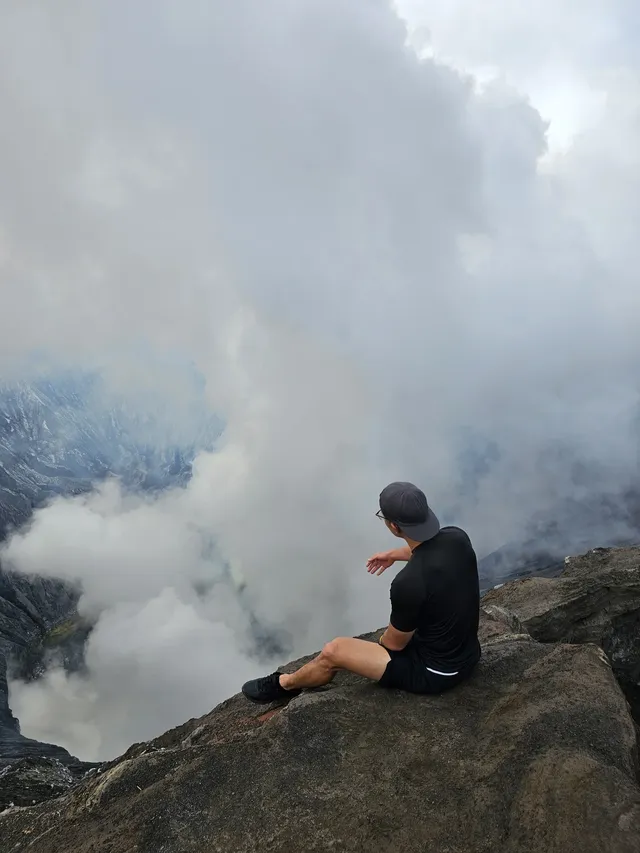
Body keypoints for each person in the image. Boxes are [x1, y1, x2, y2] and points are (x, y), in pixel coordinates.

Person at [241, 481, 481, 703]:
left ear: (394, 526)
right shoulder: (457, 538)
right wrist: (393, 555)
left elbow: (394, 645)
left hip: (435, 673)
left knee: (334, 651)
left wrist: (373, 648)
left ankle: (285, 684)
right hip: (468, 656)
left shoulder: (408, 583)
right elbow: (428, 552)